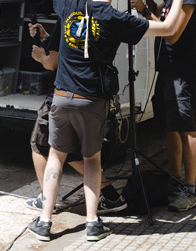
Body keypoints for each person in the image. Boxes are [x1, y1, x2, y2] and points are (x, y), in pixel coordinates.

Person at [27, 0, 187, 242]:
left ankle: (44, 221)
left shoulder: (71, 0)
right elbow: (168, 27)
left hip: (61, 97)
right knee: (91, 161)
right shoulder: (117, 19)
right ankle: (92, 224)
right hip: (93, 100)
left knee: (56, 157)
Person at [127, 0, 196, 212]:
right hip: (169, 69)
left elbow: (170, 33)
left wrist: (144, 11)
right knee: (171, 127)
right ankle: (173, 179)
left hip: (183, 71)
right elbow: (159, 14)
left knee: (186, 128)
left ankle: (190, 190)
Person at [25, 23, 127, 215]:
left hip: (61, 94)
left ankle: (47, 202)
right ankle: (111, 196)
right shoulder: (94, 16)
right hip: (87, 97)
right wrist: (48, 37)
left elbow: (53, 62)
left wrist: (41, 57)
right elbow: (73, 49)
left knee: (39, 145)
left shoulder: (68, 13)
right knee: (75, 154)